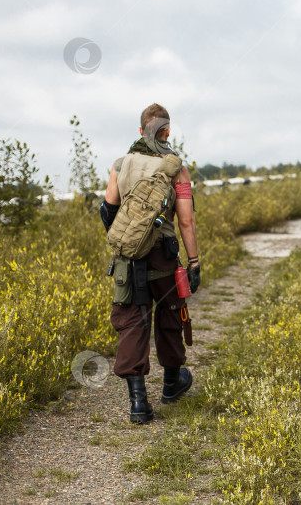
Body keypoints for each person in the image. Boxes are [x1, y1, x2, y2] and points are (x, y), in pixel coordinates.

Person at [99, 103, 201, 424]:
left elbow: (108, 209)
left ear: (141, 131)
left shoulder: (120, 165)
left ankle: (139, 403)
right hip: (164, 254)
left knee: (132, 320)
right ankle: (171, 383)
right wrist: (194, 262)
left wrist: (129, 242)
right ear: (167, 132)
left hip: (129, 257)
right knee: (171, 313)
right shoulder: (178, 170)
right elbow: (186, 221)